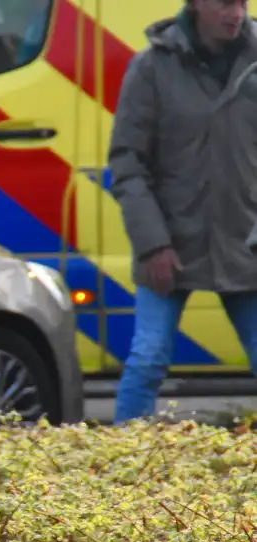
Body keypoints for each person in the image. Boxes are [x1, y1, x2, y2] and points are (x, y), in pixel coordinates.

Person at [109, 0, 257, 424]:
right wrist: (153, 244)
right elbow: (128, 163)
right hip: (171, 239)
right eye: (226, 3)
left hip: (244, 242)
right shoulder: (153, 68)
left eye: (243, 2)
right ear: (197, 4)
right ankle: (123, 463)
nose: (237, 13)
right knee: (148, 355)